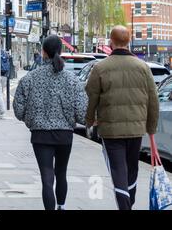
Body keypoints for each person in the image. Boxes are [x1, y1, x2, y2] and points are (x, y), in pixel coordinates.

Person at [85, 26, 159, 210]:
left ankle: (125, 206)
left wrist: (89, 120)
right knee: (132, 170)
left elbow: (91, 97)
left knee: (118, 170)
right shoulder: (143, 67)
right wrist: (151, 131)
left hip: (111, 131)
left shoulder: (100, 67)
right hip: (136, 130)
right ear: (128, 41)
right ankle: (129, 203)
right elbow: (153, 101)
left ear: (111, 42)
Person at [13, 35, 88, 211]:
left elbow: (18, 110)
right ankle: (61, 206)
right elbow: (82, 113)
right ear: (61, 51)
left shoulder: (30, 78)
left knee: (47, 178)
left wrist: (30, 119)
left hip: (40, 135)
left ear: (43, 52)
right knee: (61, 173)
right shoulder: (72, 80)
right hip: (64, 135)